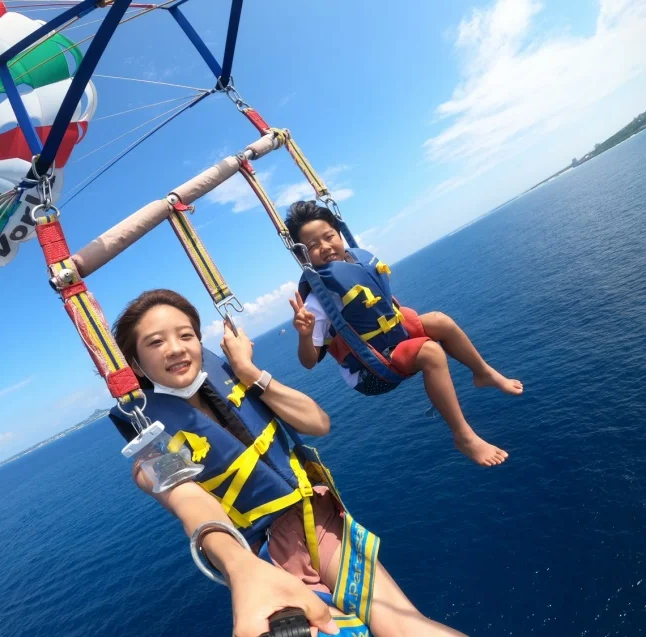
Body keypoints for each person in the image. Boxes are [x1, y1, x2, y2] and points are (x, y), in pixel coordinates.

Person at [110, 288, 466, 637]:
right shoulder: (151, 449)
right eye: (156, 342)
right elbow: (190, 503)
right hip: (263, 556)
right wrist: (240, 567)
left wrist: (249, 371)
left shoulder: (234, 381)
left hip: (317, 520)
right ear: (136, 365)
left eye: (185, 335)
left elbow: (318, 423)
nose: (175, 348)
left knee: (404, 626)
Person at [286, 200, 523, 467]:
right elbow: (308, 362)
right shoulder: (318, 299)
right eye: (314, 245)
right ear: (302, 256)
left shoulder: (356, 260)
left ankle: (484, 373)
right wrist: (305, 334)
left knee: (439, 320)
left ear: (339, 234)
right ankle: (464, 436)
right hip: (370, 372)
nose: (326, 246)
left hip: (391, 342)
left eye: (329, 236)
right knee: (431, 352)